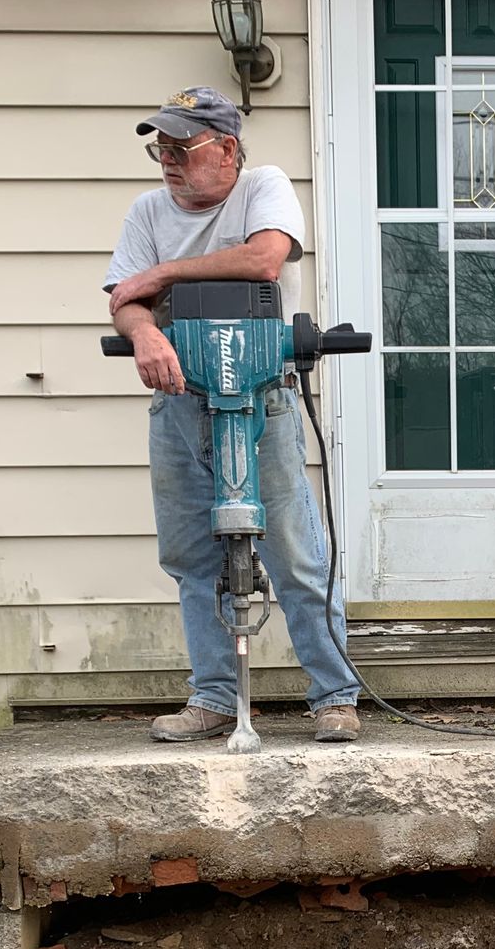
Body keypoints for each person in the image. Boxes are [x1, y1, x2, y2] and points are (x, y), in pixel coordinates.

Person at [104, 87, 361, 744]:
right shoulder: (146, 211)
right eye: (160, 149)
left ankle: (334, 696)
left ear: (226, 149)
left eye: (181, 148)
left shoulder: (262, 187)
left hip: (261, 396)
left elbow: (263, 258)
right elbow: (125, 299)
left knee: (296, 554)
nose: (167, 161)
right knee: (193, 557)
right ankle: (215, 697)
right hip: (179, 400)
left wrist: (160, 276)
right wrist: (145, 333)